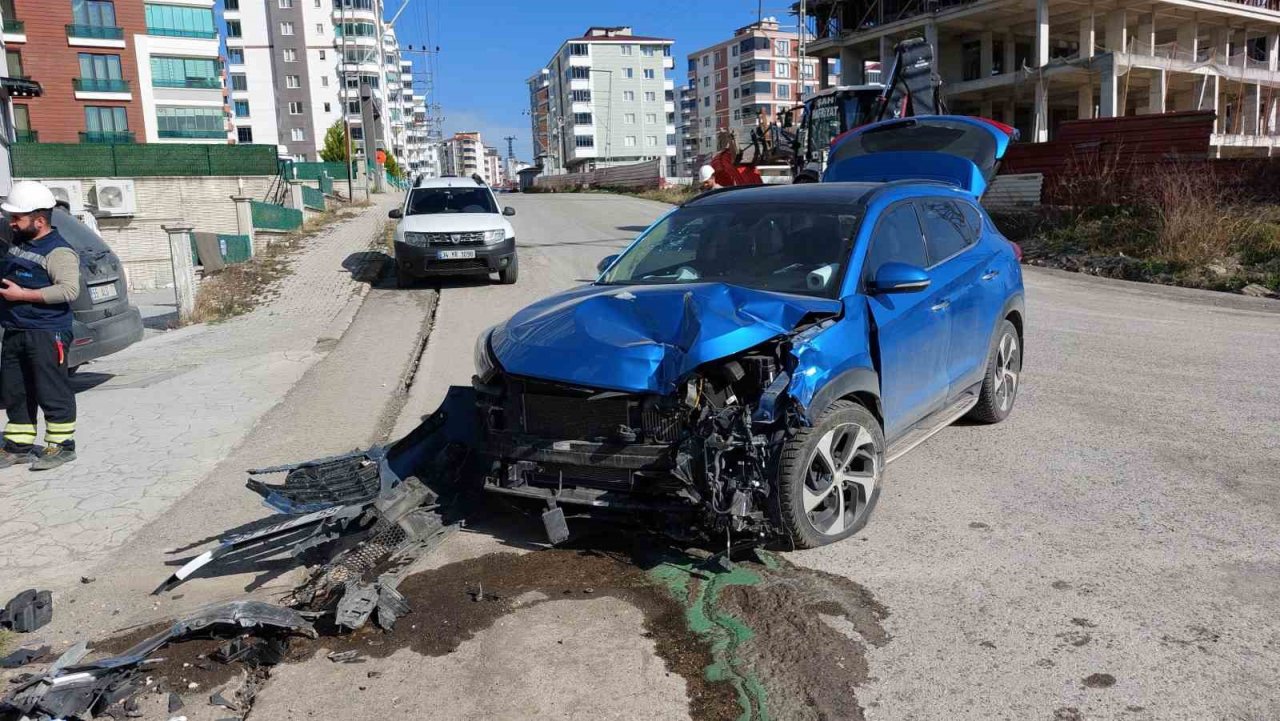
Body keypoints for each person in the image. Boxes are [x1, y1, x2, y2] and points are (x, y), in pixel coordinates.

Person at [0, 181, 81, 470]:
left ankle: (61, 445)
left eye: (17, 218)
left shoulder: (59, 252)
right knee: (16, 390)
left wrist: (23, 295)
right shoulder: (19, 242)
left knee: (51, 389)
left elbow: (69, 290)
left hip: (47, 332)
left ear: (39, 220)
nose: (12, 223)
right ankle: (18, 446)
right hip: (16, 330)